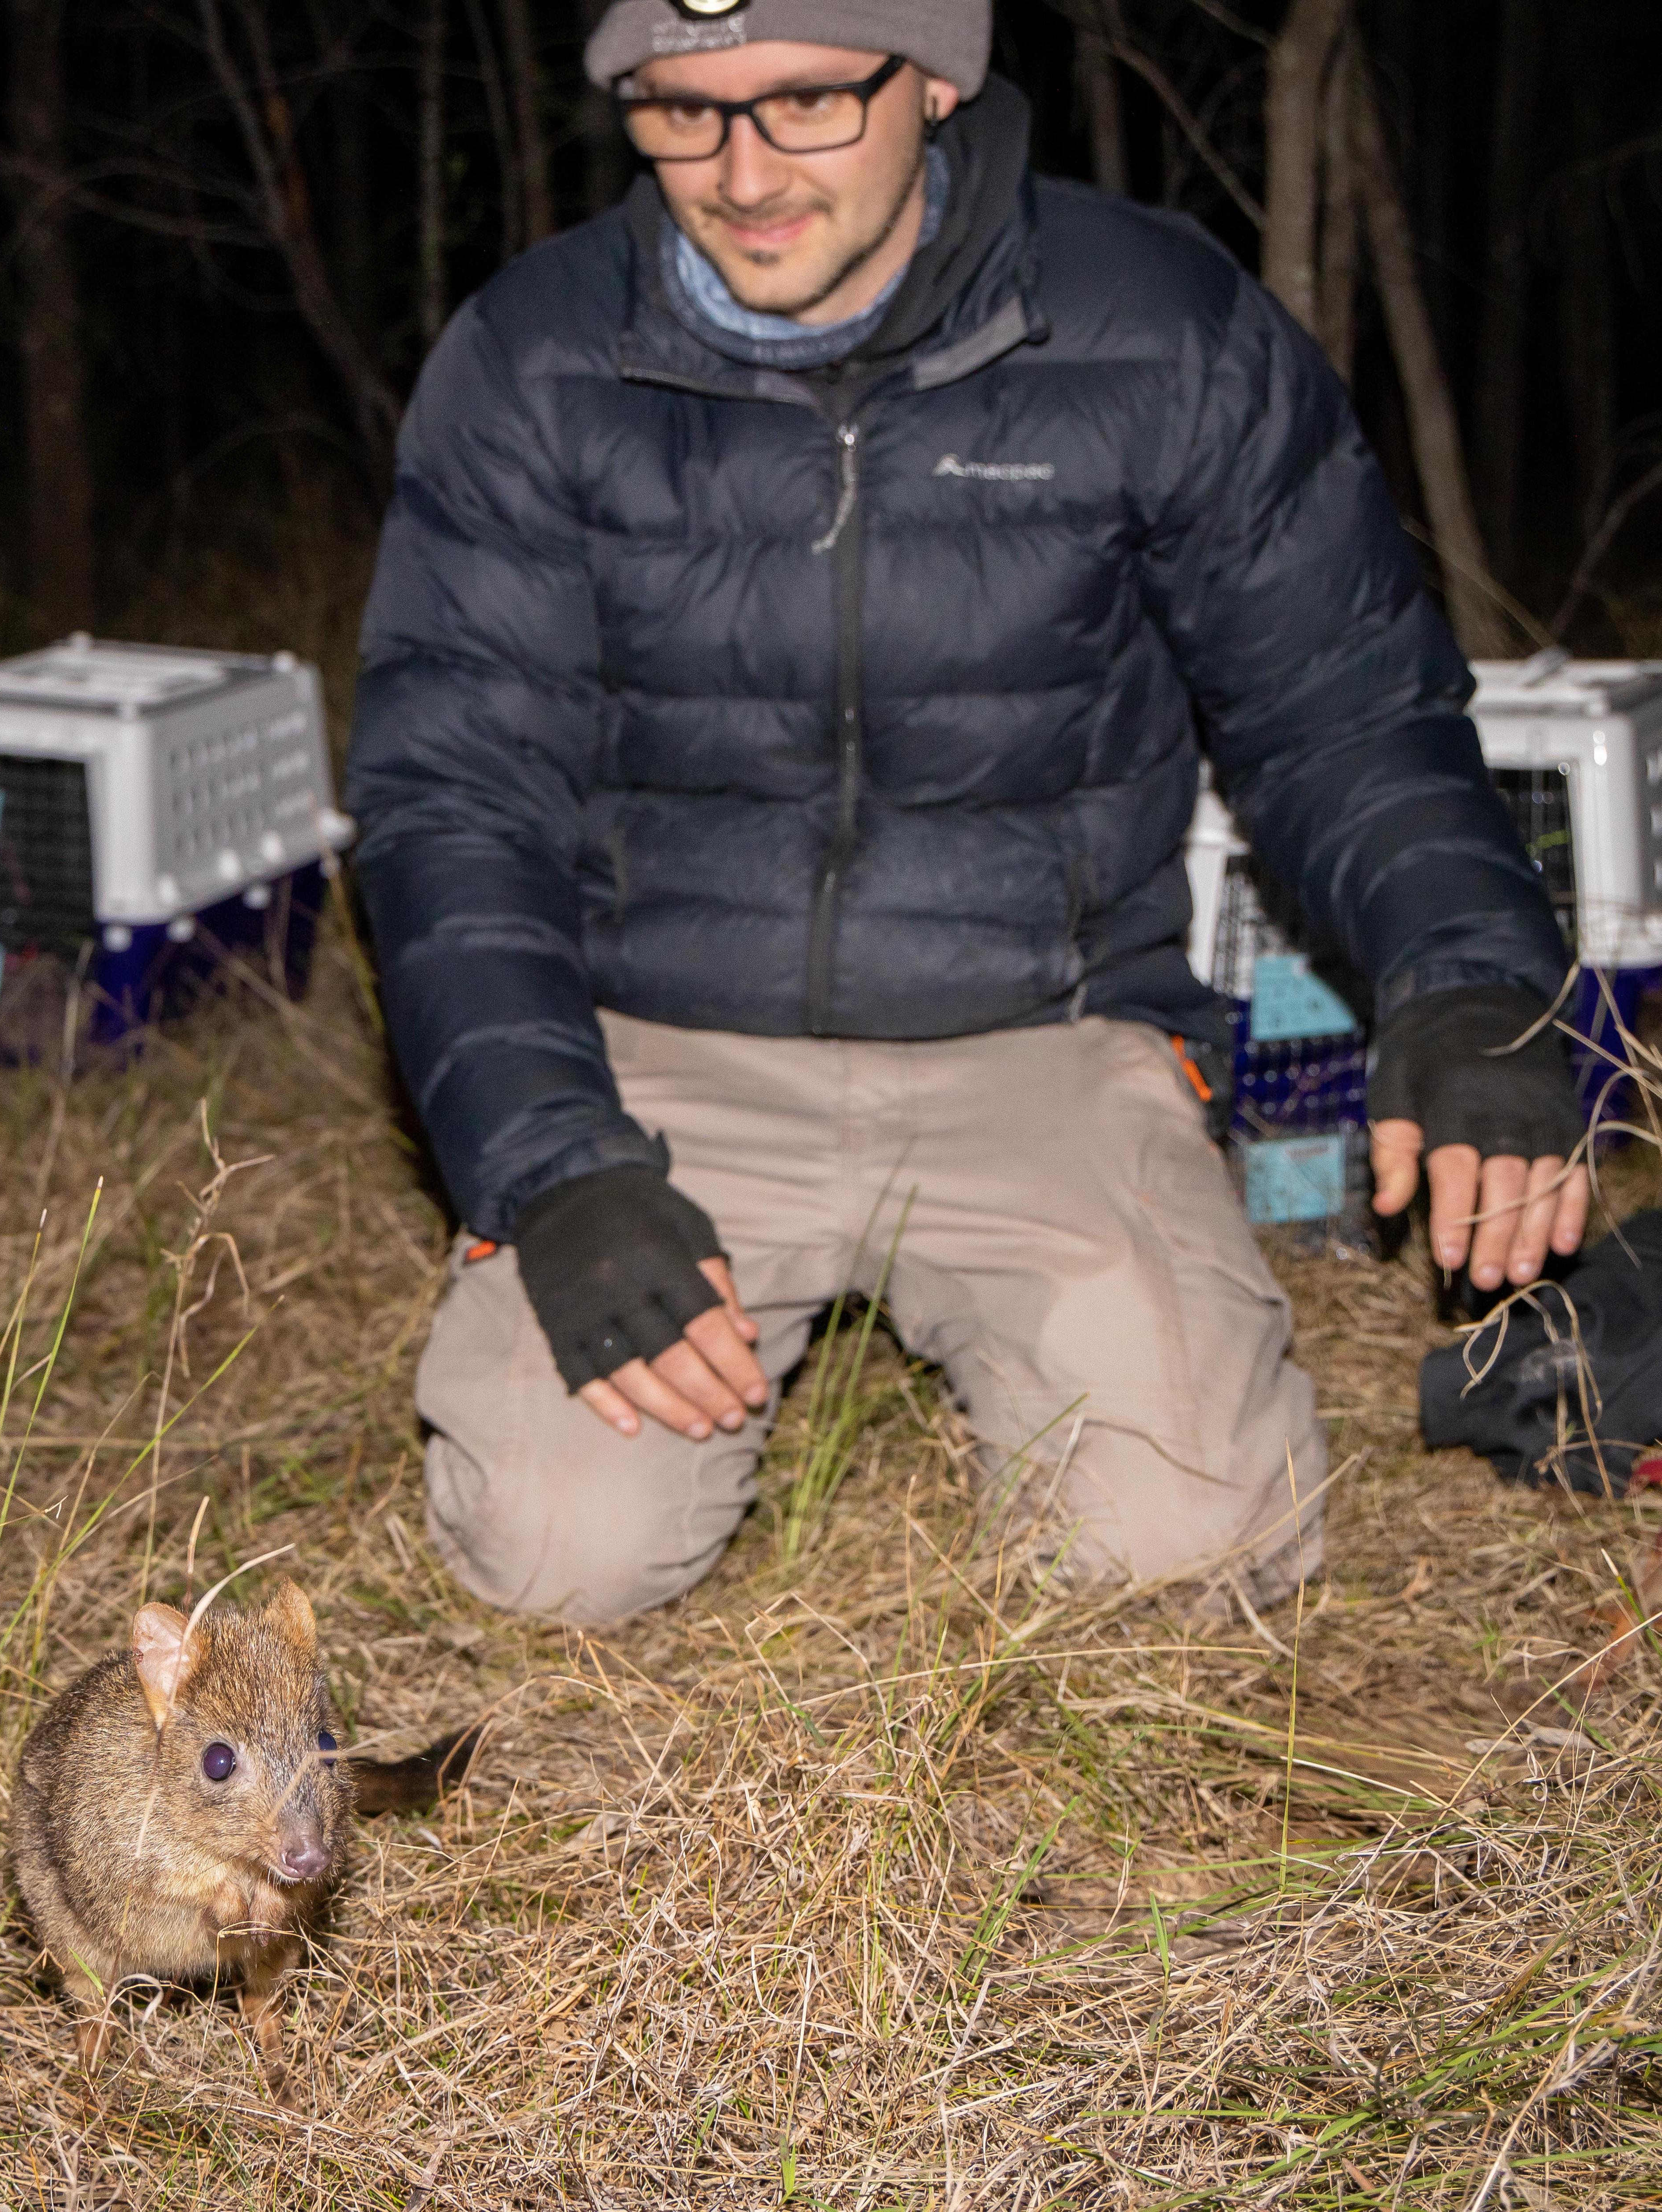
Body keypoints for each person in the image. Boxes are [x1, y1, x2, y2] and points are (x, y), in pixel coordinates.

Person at [345, 0, 1590, 1626]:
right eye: (678, 112)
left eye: (803, 103)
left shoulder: (1161, 329)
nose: (737, 173)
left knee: (1191, 1564)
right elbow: (453, 800)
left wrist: (1470, 978)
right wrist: (553, 1163)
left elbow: (1343, 713)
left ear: (934, 75)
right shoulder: (536, 357)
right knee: (554, 1555)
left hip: (1043, 1035)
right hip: (657, 1038)